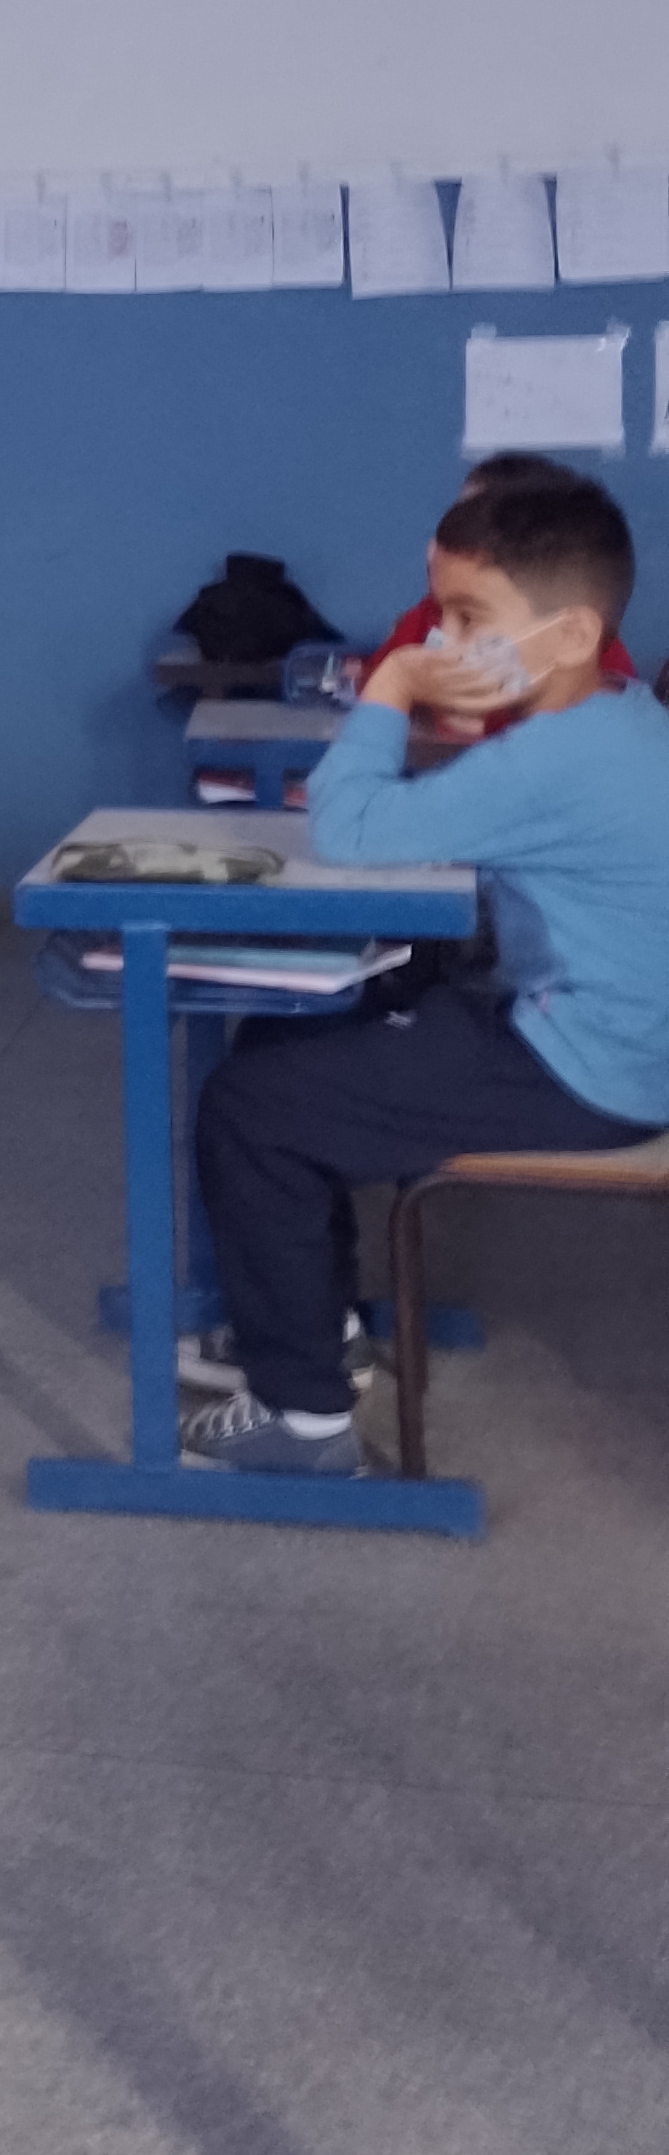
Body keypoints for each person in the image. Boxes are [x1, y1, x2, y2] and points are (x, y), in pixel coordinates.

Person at [183, 472, 669, 1476]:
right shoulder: (618, 717)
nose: (444, 639)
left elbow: (348, 827)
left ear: (574, 634)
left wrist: (394, 683)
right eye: (440, 615)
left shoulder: (555, 756)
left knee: (250, 1107)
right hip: (612, 1036)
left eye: (469, 617)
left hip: (589, 1067)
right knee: (294, 1028)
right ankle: (315, 1323)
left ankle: (302, 1416)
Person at [360, 450, 634, 723]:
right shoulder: (429, 615)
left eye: (468, 619)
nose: (445, 637)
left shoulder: (590, 658)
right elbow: (372, 687)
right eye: (456, 522)